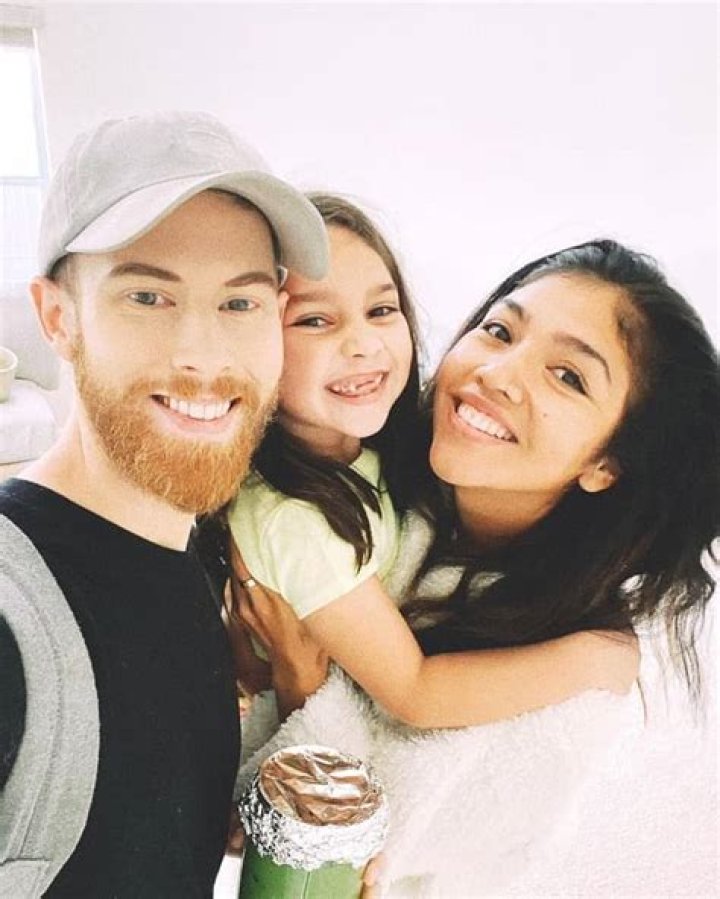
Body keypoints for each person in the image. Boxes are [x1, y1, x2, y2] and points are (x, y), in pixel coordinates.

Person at [232, 238, 719, 896]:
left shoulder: (567, 688)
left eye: (568, 376)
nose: (497, 372)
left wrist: (302, 682)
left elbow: (359, 853)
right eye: (499, 330)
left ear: (606, 464)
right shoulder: (357, 472)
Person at [0, 110, 329, 897]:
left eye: (240, 303)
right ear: (58, 318)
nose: (203, 356)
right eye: (148, 296)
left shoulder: (193, 544)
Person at [223, 196, 637, 745]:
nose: (363, 344)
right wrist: (596, 659)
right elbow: (415, 694)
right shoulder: (293, 518)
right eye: (314, 320)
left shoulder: (371, 453)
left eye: (381, 310)